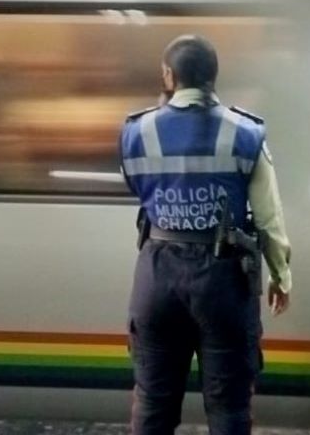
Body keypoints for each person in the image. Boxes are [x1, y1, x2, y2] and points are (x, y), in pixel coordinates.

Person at [119, 34, 292, 435]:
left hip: (157, 273)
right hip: (224, 281)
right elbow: (269, 217)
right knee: (229, 406)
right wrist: (281, 275)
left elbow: (137, 187)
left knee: (153, 405)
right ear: (214, 76)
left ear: (168, 75)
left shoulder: (135, 132)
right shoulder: (246, 133)